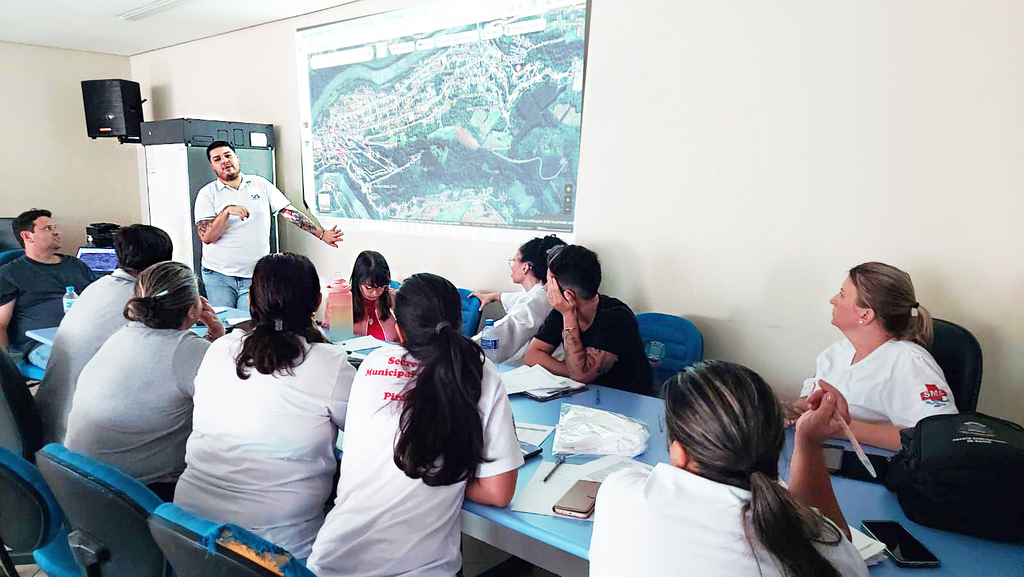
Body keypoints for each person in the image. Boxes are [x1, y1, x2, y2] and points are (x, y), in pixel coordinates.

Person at [307, 273, 523, 577]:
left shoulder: (372, 363)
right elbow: (499, 493)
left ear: (399, 331)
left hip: (330, 565)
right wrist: (443, 473)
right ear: (460, 324)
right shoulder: (479, 370)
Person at [590, 361, 868, 577]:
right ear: (776, 444)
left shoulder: (620, 493)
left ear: (679, 453)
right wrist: (808, 443)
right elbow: (837, 548)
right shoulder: (825, 550)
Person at [174, 253, 354, 559]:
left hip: (190, 537)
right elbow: (375, 430)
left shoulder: (220, 348)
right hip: (276, 551)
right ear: (318, 302)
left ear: (252, 301)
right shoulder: (329, 363)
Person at [64, 261, 223, 502]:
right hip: (140, 494)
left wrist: (210, 340)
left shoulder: (123, 334)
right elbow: (231, 408)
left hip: (81, 483)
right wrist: (217, 339)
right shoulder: (188, 350)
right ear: (194, 310)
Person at [794, 262, 956, 451]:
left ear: (866, 314)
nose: (833, 300)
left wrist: (844, 428)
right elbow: (806, 400)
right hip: (826, 455)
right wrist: (792, 410)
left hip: (881, 470)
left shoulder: (910, 362)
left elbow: (937, 439)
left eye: (842, 294)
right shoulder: (835, 353)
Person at [36, 224, 173, 444]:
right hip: (81, 436)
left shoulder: (96, 288)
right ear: (163, 265)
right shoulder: (139, 303)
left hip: (47, 424)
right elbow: (171, 359)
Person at [194, 141, 344, 310]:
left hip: (254, 274)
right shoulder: (207, 193)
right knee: (223, 326)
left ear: (237, 158)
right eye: (217, 159)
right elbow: (207, 237)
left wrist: (321, 234)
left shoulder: (260, 184)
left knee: (249, 325)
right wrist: (226, 212)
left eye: (228, 155)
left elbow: (287, 212)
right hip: (219, 275)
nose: (224, 161)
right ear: (212, 166)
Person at [524, 244, 653, 394]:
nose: (545, 288)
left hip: (627, 400)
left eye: (549, 283)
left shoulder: (616, 318)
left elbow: (580, 375)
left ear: (568, 295)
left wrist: (568, 314)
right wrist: (570, 370)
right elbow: (532, 355)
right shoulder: (560, 312)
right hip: (586, 396)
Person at [0, 209, 94, 369]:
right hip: (43, 344)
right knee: (86, 370)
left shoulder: (76, 265)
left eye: (55, 227)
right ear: (27, 236)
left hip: (86, 336)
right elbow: (1, 323)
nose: (56, 232)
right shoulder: (10, 273)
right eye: (48, 228)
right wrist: (4, 369)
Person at [470, 234, 566, 366]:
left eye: (514, 261)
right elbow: (520, 299)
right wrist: (495, 296)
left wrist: (462, 348)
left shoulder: (536, 300)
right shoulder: (540, 294)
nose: (512, 266)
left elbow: (507, 330)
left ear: (525, 267)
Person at [350, 250, 398, 341]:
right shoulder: (341, 303)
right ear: (357, 281)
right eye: (369, 288)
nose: (375, 293)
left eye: (381, 287)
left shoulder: (393, 299)